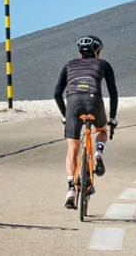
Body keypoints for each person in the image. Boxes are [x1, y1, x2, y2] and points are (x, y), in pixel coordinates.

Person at [54, 35, 118, 209]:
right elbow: (113, 92)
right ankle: (98, 151)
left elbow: (57, 93)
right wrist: (112, 117)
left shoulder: (69, 65)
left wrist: (64, 114)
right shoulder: (103, 64)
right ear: (98, 53)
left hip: (73, 104)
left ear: (79, 53)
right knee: (101, 131)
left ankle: (71, 189)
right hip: (94, 102)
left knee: (72, 149)